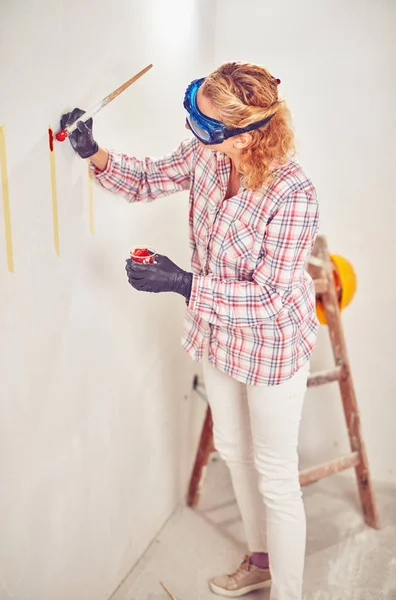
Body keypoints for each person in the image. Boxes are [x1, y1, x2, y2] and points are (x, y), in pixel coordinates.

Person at [60, 61, 319, 600]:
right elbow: (153, 177)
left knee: (275, 473)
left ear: (248, 133)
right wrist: (94, 152)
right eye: (193, 116)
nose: (191, 134)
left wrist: (183, 283)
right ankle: (261, 561)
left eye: (203, 127)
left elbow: (271, 300)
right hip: (217, 335)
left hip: (271, 346)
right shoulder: (205, 155)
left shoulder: (292, 193)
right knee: (233, 449)